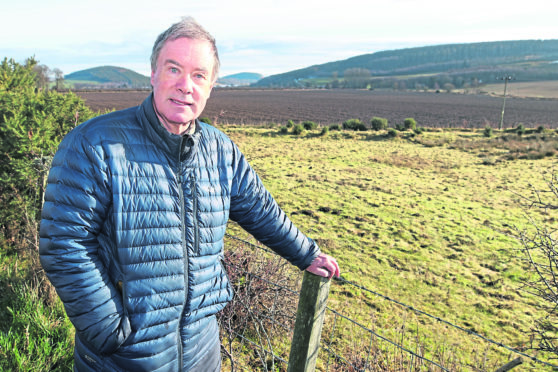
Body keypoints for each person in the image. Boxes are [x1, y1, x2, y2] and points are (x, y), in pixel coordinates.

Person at [39, 16, 339, 372]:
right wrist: (109, 333)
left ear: (211, 86)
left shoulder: (219, 150)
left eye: (199, 75)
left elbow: (259, 209)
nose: (186, 86)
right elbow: (64, 245)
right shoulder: (95, 144)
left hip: (201, 352)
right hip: (123, 359)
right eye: (174, 69)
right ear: (152, 74)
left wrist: (306, 253)